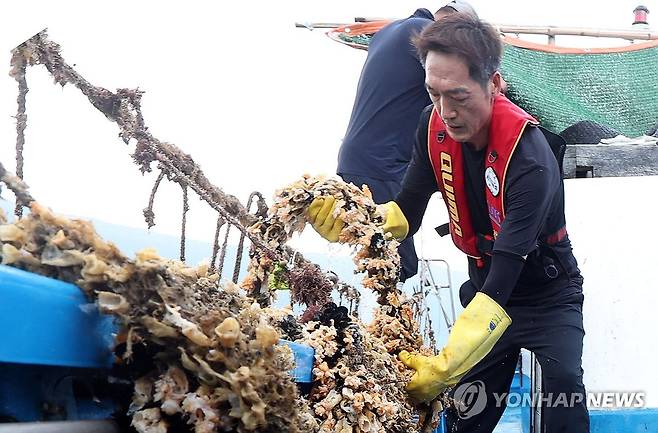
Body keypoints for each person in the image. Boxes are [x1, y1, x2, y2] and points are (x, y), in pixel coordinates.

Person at [311, 13, 589, 433]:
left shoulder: (530, 159)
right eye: (434, 93)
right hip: (483, 287)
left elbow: (508, 268)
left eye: (458, 95)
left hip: (545, 293)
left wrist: (446, 364)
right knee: (465, 415)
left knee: (564, 388)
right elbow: (406, 210)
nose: (447, 111)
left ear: (493, 84)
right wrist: (356, 223)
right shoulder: (432, 126)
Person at [336, 1, 477, 282]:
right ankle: (386, 324)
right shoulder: (427, 34)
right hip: (382, 164)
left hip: (357, 158)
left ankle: (377, 319)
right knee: (398, 263)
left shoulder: (388, 32)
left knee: (380, 253)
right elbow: (461, 89)